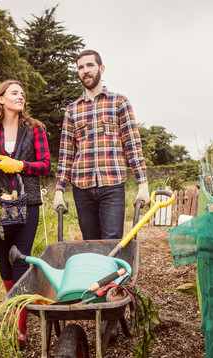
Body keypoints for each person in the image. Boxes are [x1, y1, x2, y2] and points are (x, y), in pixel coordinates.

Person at [0, 79, 50, 346]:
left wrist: (20, 165)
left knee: (20, 261)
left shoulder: (35, 129)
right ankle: (16, 309)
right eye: (14, 93)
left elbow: (45, 166)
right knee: (4, 264)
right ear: (1, 99)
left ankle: (20, 327)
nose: (21, 97)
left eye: (23, 94)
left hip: (27, 203)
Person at [53, 50, 149, 240]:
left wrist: (143, 184)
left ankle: (114, 271)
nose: (85, 71)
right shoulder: (72, 110)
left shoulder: (119, 102)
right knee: (90, 244)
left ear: (101, 68)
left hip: (112, 185)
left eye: (90, 65)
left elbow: (133, 145)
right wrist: (59, 190)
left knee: (111, 244)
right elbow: (66, 154)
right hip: (82, 188)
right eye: (81, 67)